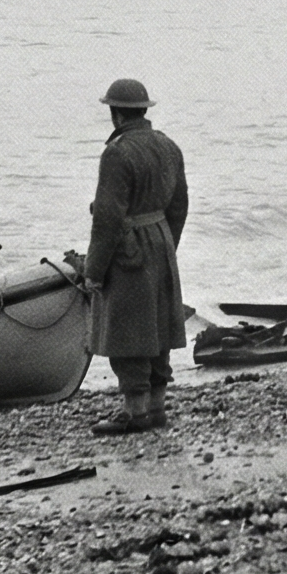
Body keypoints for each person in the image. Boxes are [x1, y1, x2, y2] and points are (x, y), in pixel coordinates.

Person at [83, 78, 189, 435]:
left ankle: (134, 412)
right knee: (158, 326)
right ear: (144, 110)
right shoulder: (168, 146)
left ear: (115, 114)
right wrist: (166, 244)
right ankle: (157, 408)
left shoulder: (117, 153)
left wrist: (93, 270)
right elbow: (180, 205)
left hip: (129, 248)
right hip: (161, 240)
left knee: (127, 331)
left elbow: (108, 218)